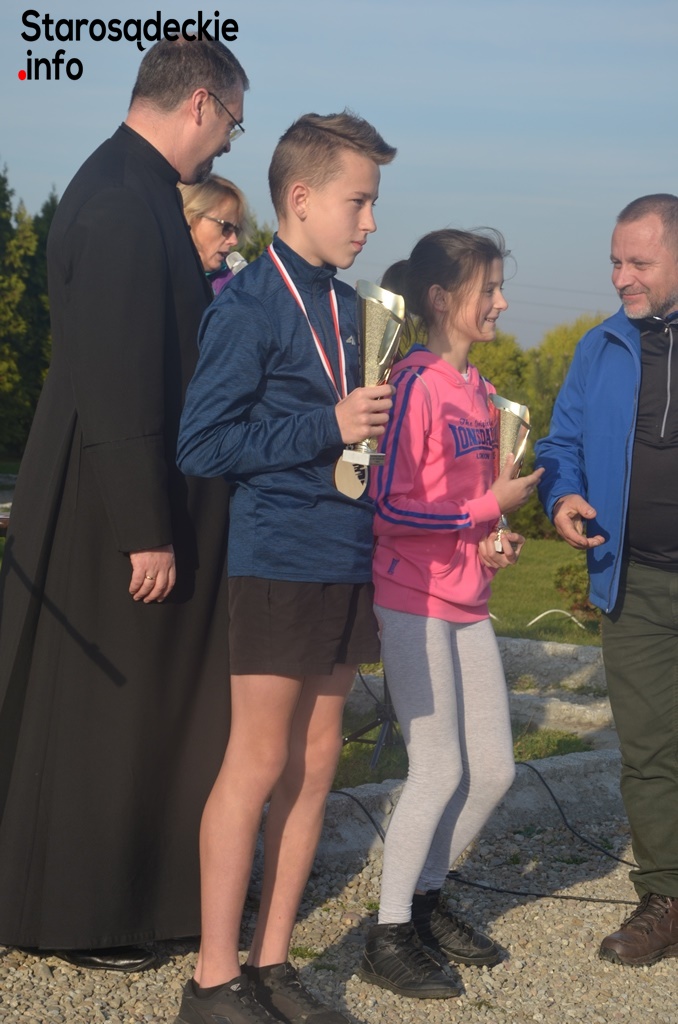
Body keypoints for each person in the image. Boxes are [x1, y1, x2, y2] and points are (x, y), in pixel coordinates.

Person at [0, 37, 248, 972]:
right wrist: (145, 528)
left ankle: (138, 895)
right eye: (231, 124)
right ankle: (80, 912)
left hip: (131, 484)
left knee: (136, 705)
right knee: (100, 709)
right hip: (112, 501)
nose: (225, 145)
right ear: (200, 103)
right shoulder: (118, 200)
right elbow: (114, 377)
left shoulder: (134, 188)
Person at [173, 111, 396, 1024]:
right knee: (259, 761)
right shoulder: (249, 305)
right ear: (300, 198)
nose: (370, 223)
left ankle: (271, 963)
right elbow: (202, 444)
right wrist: (326, 426)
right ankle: (211, 979)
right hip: (278, 560)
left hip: (347, 557)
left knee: (313, 766)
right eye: (359, 202)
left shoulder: (353, 309)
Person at [358, 229, 543, 999]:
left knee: (494, 770)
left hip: (468, 599)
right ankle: (386, 934)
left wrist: (492, 538)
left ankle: (426, 902)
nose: (500, 302)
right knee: (439, 767)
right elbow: (387, 504)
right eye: (487, 289)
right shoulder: (412, 383)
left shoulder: (481, 392)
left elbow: (467, 506)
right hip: (412, 598)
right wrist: (482, 510)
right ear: (441, 300)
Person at [535, 193, 678, 967]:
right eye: (616, 262)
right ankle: (665, 897)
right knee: (651, 750)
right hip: (636, 584)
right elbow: (560, 444)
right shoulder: (601, 347)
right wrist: (562, 496)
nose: (622, 277)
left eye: (639, 262)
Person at [179, 174, 252, 293]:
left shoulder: (235, 289)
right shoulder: (152, 272)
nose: (234, 240)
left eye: (236, 231)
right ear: (190, 217)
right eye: (226, 227)